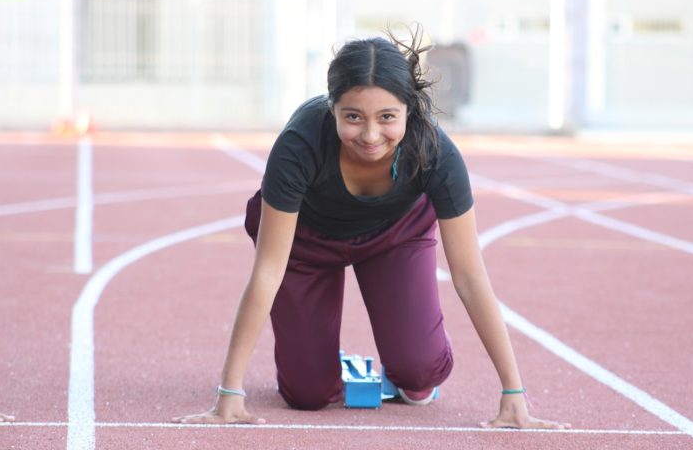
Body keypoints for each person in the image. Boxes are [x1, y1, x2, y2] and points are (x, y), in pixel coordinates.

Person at [173, 26, 569, 430]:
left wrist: (513, 392)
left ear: (408, 111)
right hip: (305, 241)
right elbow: (268, 271)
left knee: (419, 372)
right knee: (307, 395)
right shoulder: (299, 145)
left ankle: (413, 361)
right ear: (332, 108)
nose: (370, 135)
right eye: (353, 117)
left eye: (387, 118)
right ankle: (323, 359)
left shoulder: (436, 153)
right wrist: (229, 392)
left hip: (395, 235)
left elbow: (469, 276)